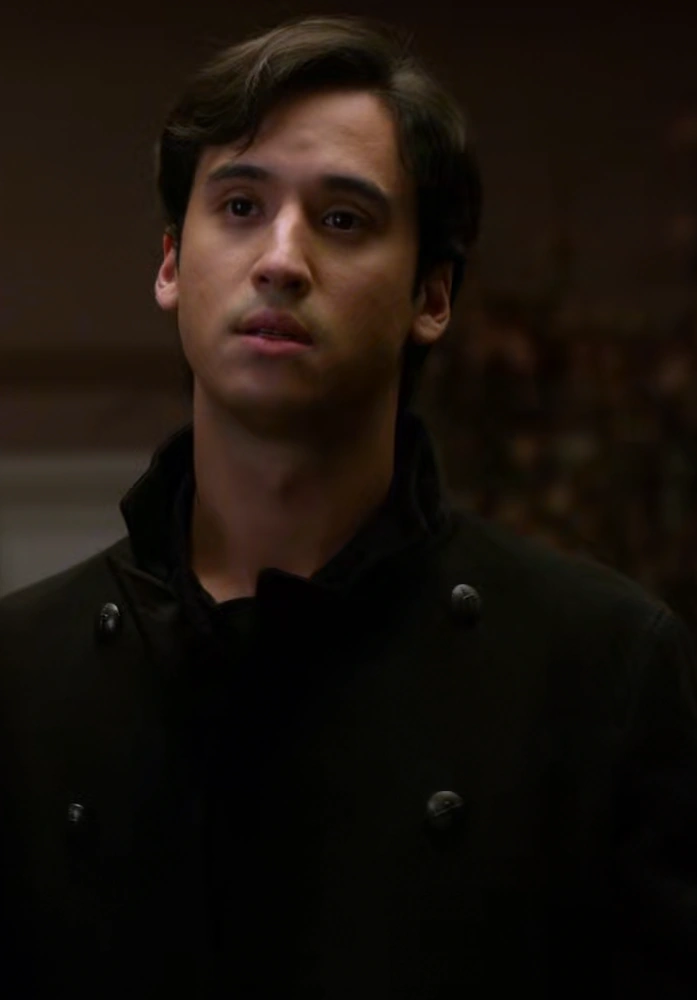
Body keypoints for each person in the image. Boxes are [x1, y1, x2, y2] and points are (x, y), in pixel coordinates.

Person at [1, 15, 697, 998]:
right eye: (239, 205)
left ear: (432, 296)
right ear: (170, 265)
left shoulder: (602, 673)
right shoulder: (20, 678)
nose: (281, 258)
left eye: (342, 220)